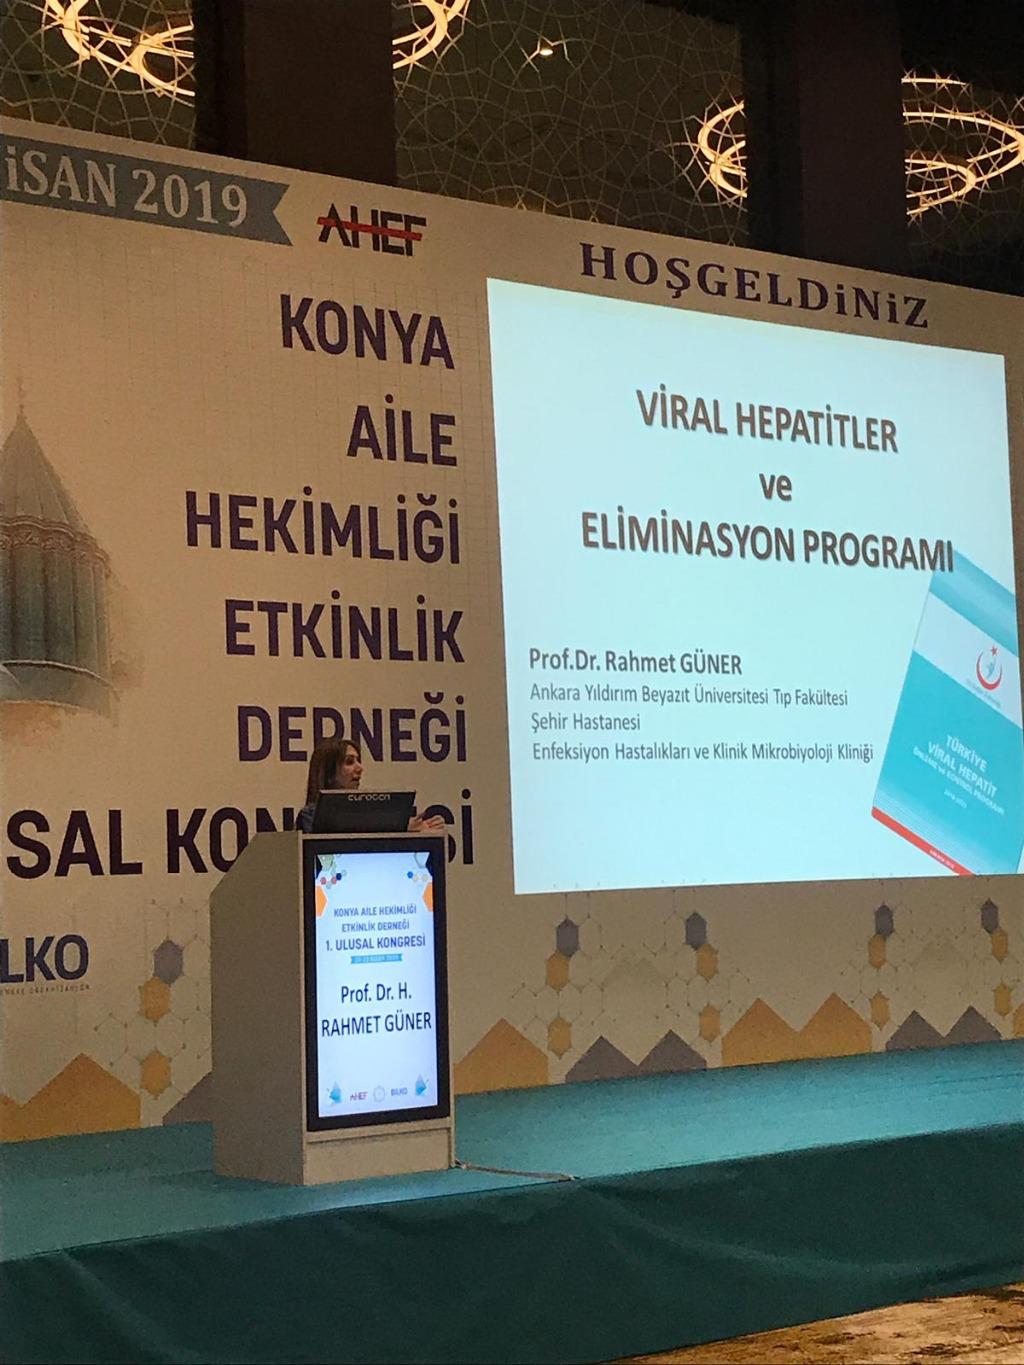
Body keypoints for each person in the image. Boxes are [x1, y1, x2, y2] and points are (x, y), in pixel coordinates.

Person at [296, 737, 444, 832]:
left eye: (358, 761)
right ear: (329, 773)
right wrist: (399, 828)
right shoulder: (309, 816)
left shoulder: (369, 812)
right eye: (349, 762)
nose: (359, 768)